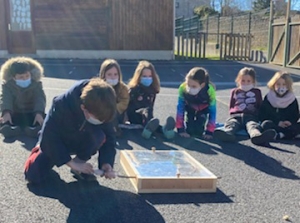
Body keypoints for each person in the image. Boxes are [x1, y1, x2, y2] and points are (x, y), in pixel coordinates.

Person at [24, 78, 117, 184]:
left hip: (82, 139)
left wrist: (106, 163)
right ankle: (40, 152)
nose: (101, 122)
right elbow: (48, 136)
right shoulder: (62, 104)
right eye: (97, 119)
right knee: (33, 175)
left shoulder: (106, 106)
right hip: (58, 141)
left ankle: (80, 163)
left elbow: (110, 137)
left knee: (99, 136)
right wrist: (70, 162)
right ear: (83, 108)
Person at [213, 67, 276, 145]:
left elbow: (259, 105)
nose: (245, 83)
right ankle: (227, 134)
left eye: (248, 81)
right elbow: (231, 105)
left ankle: (256, 136)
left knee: (252, 125)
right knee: (232, 124)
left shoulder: (257, 92)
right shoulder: (235, 91)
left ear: (253, 81)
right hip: (236, 116)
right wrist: (233, 113)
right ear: (238, 80)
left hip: (250, 116)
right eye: (243, 81)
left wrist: (258, 117)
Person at [127, 60, 175, 139]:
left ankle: (164, 130)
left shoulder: (152, 90)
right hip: (135, 115)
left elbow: (151, 105)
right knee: (146, 114)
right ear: (139, 77)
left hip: (147, 116)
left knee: (151, 120)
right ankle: (150, 129)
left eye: (150, 76)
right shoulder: (134, 90)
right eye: (144, 76)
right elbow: (128, 106)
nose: (147, 78)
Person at [0, 57, 46, 138]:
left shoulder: (36, 85)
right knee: (4, 119)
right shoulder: (8, 86)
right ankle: (8, 129)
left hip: (32, 113)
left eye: (27, 76)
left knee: (46, 119)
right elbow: (5, 99)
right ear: (14, 78)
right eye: (21, 77)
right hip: (15, 113)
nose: (25, 79)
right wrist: (6, 112)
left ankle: (36, 129)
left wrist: (39, 113)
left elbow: (40, 99)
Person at [176, 67, 216, 139]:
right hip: (190, 107)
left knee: (198, 132)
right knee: (190, 131)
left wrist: (209, 131)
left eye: (194, 86)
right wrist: (180, 129)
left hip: (203, 108)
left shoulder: (210, 91)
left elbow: (213, 111)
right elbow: (180, 108)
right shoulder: (183, 88)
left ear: (202, 85)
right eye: (188, 85)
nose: (190, 88)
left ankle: (207, 125)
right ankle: (190, 124)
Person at [259, 71, 300, 139]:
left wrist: (290, 122)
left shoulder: (292, 99)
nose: (281, 87)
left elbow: (295, 114)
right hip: (275, 124)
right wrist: (278, 122)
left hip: (288, 125)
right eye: (278, 84)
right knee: (265, 124)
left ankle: (280, 135)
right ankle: (288, 134)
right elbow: (262, 114)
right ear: (273, 84)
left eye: (284, 84)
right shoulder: (269, 97)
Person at [99, 59, 129, 135]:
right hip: (103, 112)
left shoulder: (123, 88)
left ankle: (115, 129)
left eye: (115, 74)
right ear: (103, 75)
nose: (113, 77)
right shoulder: (99, 88)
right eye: (109, 74)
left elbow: (125, 101)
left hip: (117, 112)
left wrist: (115, 108)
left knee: (113, 115)